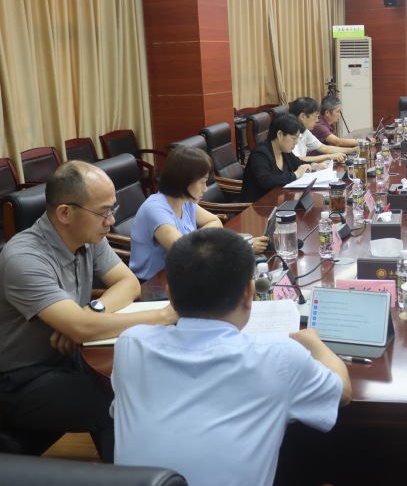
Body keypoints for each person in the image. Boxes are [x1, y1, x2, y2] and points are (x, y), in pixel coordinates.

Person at [113, 228, 352, 486]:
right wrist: (315, 344)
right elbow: (342, 392)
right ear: (249, 293)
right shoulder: (280, 355)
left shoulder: (130, 345)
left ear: (169, 294)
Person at [0, 161, 178, 463]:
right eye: (104, 211)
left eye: (112, 209)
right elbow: (81, 328)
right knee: (116, 406)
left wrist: (91, 312)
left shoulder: (88, 236)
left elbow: (128, 284)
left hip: (66, 356)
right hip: (15, 379)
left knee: (146, 377)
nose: (111, 220)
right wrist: (163, 316)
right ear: (65, 213)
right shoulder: (24, 259)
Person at [129, 146, 267, 281]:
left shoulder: (185, 201)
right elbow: (184, 252)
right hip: (155, 284)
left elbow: (215, 222)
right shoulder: (155, 208)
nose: (205, 188)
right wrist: (240, 246)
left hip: (186, 273)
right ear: (184, 180)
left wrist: (195, 241)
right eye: (202, 182)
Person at [241, 113, 315, 202]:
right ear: (280, 134)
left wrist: (314, 165)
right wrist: (295, 175)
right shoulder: (260, 154)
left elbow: (297, 163)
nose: (296, 142)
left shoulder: (284, 150)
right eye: (294, 138)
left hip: (278, 200)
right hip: (258, 205)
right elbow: (266, 180)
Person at [289, 97, 356, 162]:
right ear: (302, 116)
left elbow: (324, 148)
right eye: (315, 116)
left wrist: (352, 150)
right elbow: (296, 160)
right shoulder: (289, 134)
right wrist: (328, 157)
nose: (317, 120)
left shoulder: (305, 131)